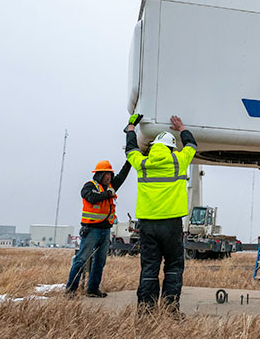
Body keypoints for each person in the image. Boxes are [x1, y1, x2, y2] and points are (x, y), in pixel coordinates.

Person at [125, 115, 196, 314]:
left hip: (148, 224)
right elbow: (192, 144)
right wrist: (181, 127)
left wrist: (131, 127)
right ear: (171, 148)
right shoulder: (179, 161)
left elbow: (131, 150)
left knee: (149, 267)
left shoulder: (143, 164)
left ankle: (146, 311)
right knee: (173, 267)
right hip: (172, 223)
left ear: (154, 145)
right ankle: (170, 310)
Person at [65, 159, 131, 297]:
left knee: (100, 261)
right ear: (100, 174)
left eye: (111, 175)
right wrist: (108, 194)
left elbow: (122, 175)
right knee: (81, 259)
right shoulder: (89, 186)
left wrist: (130, 160)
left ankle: (93, 289)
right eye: (107, 174)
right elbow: (91, 198)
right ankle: (70, 290)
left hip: (105, 230)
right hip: (91, 230)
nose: (110, 177)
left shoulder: (111, 186)